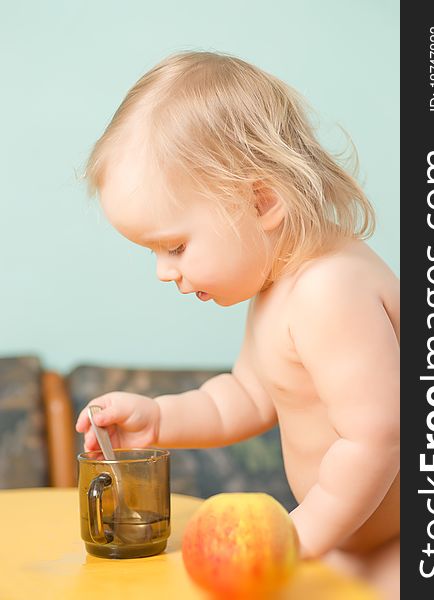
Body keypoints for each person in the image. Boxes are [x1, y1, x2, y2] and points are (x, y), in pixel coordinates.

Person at [75, 51, 399, 597]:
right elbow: (247, 396)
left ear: (261, 201)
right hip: (353, 543)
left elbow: (377, 437)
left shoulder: (329, 288)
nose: (163, 272)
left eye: (174, 246)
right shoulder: (277, 287)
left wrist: (300, 536)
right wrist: (159, 420)